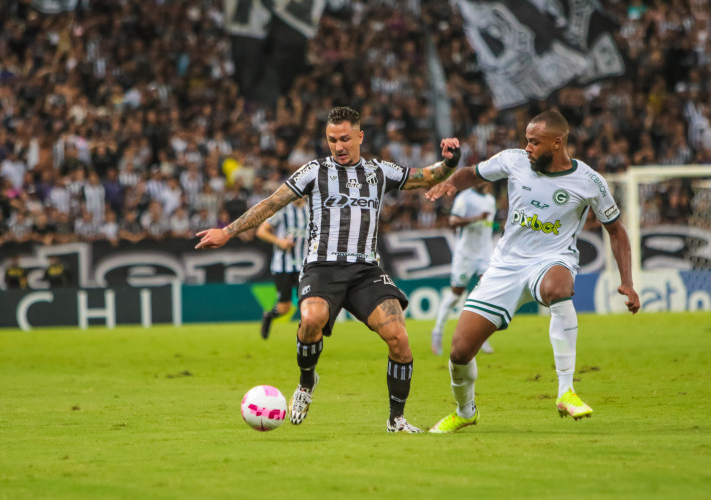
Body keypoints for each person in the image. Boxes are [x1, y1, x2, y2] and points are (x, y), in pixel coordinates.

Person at [196, 106, 462, 433]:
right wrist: (228, 231)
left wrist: (450, 161)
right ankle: (307, 382)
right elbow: (271, 203)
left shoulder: (380, 170)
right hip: (322, 267)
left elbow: (428, 176)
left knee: (399, 338)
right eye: (332, 139)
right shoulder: (314, 171)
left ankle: (397, 420)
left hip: (365, 270)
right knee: (310, 320)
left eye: (346, 139)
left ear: (360, 136)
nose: (339, 146)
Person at [424, 110, 641, 434]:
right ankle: (465, 411)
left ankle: (566, 390)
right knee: (460, 351)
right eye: (526, 140)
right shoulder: (513, 161)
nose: (527, 147)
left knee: (559, 288)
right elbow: (474, 172)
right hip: (506, 265)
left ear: (557, 143)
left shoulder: (590, 181)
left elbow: (617, 231)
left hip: (552, 259)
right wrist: (451, 182)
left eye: (534, 142)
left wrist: (627, 281)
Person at [431, 183, 496, 356]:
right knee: (455, 294)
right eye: (480, 179)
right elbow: (453, 221)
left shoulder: (490, 199)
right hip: (466, 255)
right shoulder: (464, 198)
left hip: (485, 254)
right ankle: (437, 332)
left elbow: (488, 227)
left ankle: (481, 338)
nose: (483, 182)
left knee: (485, 293)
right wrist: (476, 218)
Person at [255, 196, 309, 340]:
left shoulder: (312, 210)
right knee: (284, 308)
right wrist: (279, 241)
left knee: (307, 303)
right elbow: (261, 231)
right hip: (282, 266)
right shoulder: (282, 211)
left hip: (304, 266)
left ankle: (306, 337)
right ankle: (269, 316)